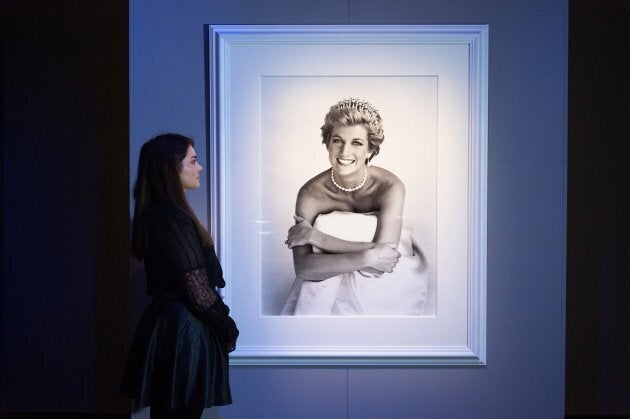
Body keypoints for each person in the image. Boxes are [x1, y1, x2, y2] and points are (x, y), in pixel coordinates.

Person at [119, 133, 238, 419]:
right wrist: (227, 325)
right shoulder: (170, 218)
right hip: (183, 335)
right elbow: (195, 286)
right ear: (172, 168)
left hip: (173, 330)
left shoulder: (159, 214)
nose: (199, 168)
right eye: (193, 161)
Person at [281, 98, 428, 316]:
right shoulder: (310, 194)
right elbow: (303, 268)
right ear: (327, 143)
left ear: (371, 150)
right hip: (325, 286)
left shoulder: (390, 186)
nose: (344, 152)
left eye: (357, 143)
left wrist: (316, 237)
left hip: (388, 282)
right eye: (337, 141)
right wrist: (368, 256)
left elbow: (387, 259)